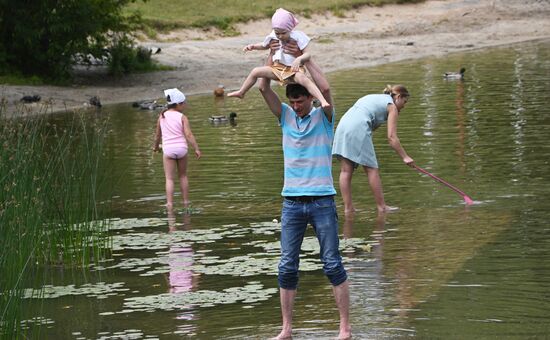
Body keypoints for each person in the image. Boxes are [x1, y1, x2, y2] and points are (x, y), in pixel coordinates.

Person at [258, 44, 351, 339]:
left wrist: (304, 59)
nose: (297, 106)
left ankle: (344, 329)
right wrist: (272, 54)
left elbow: (325, 87)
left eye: (301, 101)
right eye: (293, 102)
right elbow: (262, 87)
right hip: (292, 203)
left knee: (332, 263)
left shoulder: (324, 118)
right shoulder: (284, 117)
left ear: (310, 98)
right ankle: (286, 329)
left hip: (322, 200)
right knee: (286, 266)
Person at [332, 85, 414, 214]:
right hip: (358, 127)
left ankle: (348, 209)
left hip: (342, 126)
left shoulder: (376, 98)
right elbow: (392, 138)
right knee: (371, 169)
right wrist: (405, 157)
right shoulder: (392, 106)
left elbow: (370, 122)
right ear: (398, 97)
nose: (403, 106)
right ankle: (382, 207)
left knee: (346, 170)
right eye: (404, 102)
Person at [227, 8, 330, 109]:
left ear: (290, 29)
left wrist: (299, 59)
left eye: (283, 33)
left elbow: (308, 54)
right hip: (278, 69)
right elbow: (264, 45)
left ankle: (322, 100)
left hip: (293, 70)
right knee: (255, 71)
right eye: (277, 33)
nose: (280, 36)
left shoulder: (298, 36)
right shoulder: (273, 36)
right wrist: (253, 46)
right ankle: (242, 92)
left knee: (304, 80)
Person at [153, 88, 201, 209]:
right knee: (183, 176)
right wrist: (196, 148)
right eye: (184, 103)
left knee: (169, 179)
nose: (185, 105)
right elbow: (189, 135)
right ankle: (185, 202)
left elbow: (157, 135)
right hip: (181, 149)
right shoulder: (182, 117)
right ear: (178, 104)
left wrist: (155, 147)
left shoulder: (162, 116)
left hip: (168, 150)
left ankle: (169, 204)